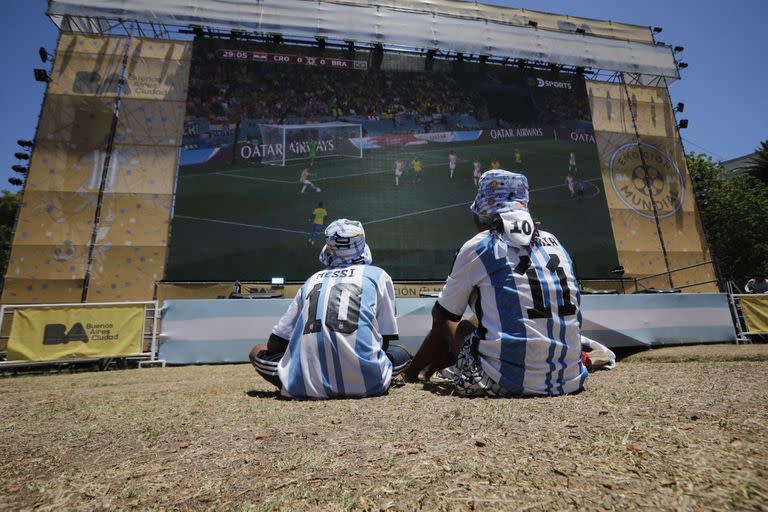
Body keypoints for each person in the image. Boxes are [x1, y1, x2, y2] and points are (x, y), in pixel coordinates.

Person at [404, 170, 588, 396]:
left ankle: (419, 371)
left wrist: (411, 371)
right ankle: (432, 367)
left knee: (458, 323)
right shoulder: (556, 243)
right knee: (481, 316)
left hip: (507, 381)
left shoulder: (480, 246)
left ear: (483, 215)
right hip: (570, 378)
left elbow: (444, 316)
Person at [249, 219, 413, 399]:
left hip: (306, 385)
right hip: (368, 383)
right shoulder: (379, 276)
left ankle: (304, 374)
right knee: (404, 350)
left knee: (256, 350)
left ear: (328, 246)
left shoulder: (312, 280)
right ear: (362, 244)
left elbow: (276, 342)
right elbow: (385, 339)